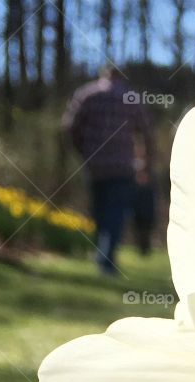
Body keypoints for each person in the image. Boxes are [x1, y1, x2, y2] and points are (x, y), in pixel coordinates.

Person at [62, 64, 152, 275]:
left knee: (99, 211)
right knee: (115, 213)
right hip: (122, 166)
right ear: (120, 76)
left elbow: (69, 126)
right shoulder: (130, 97)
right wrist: (145, 161)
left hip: (95, 165)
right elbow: (146, 132)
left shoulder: (87, 94)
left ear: (102, 74)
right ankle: (106, 258)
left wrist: (82, 149)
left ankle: (103, 257)